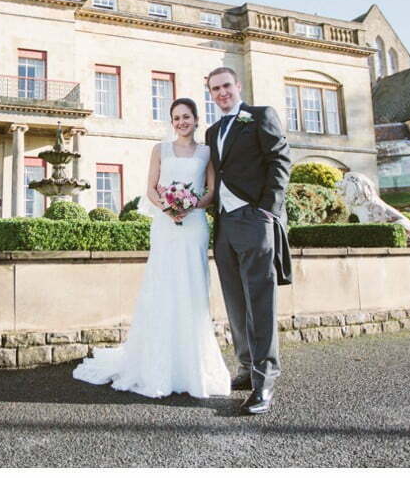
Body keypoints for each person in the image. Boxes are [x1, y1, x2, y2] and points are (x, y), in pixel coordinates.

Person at [72, 97, 231, 398]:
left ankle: (192, 364)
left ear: (197, 119)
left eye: (186, 116)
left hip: (194, 225)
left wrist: (192, 204)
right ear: (172, 122)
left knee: (193, 287)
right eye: (176, 118)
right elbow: (150, 188)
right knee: (163, 286)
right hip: (165, 224)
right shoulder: (160, 149)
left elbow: (211, 190)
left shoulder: (207, 152)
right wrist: (168, 208)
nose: (182, 122)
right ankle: (158, 363)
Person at [204, 66, 292, 415]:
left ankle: (265, 379)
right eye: (215, 89)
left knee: (260, 300)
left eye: (226, 86)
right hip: (225, 224)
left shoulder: (259, 116)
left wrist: (268, 210)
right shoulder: (212, 131)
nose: (222, 92)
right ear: (210, 94)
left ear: (237, 86)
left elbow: (280, 160)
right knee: (234, 300)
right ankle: (245, 367)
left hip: (255, 219)